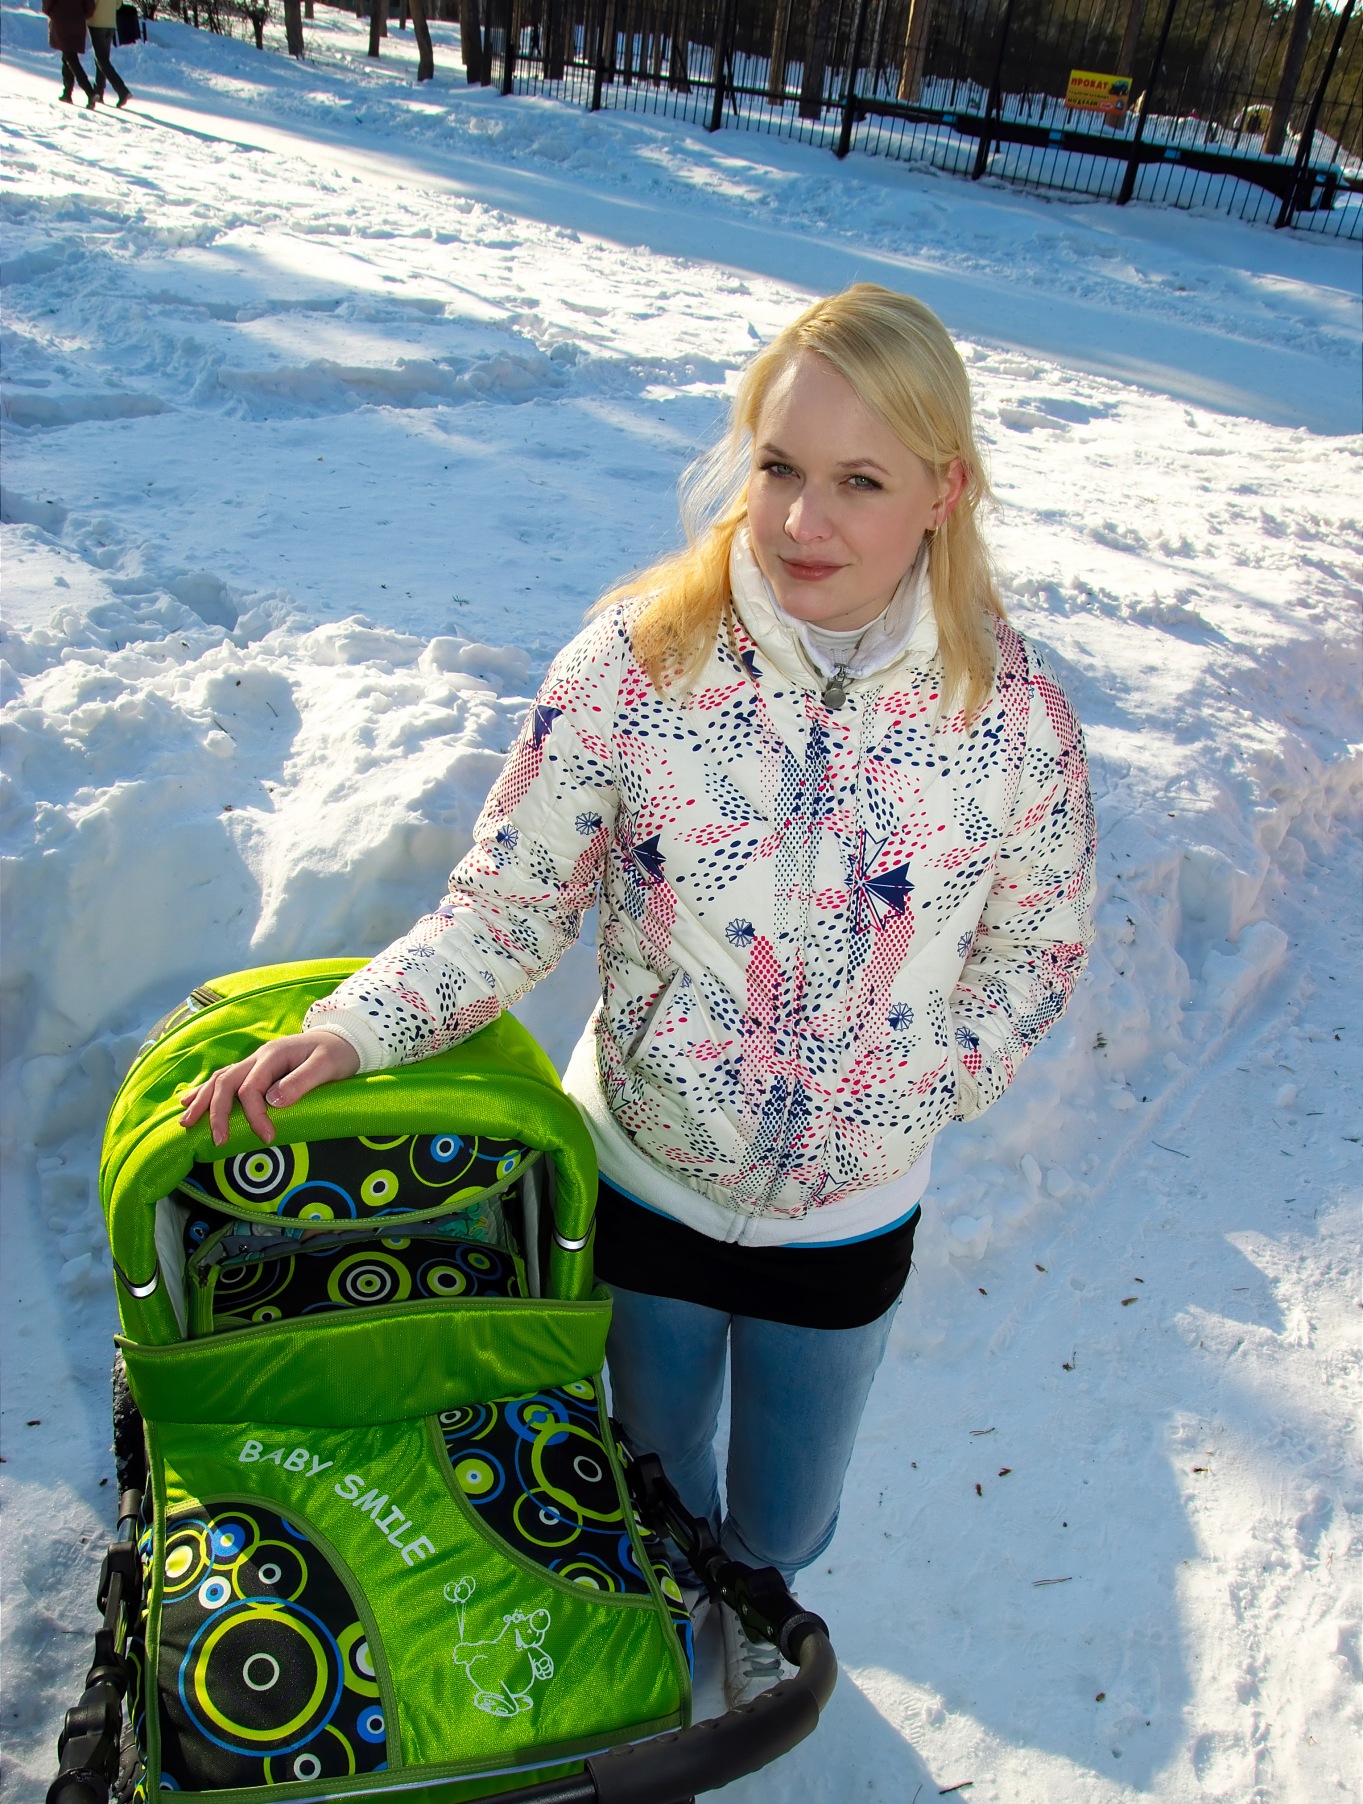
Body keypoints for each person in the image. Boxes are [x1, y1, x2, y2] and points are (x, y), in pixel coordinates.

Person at [181, 285, 1096, 1707]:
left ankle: (756, 1587)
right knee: (650, 1469)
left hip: (848, 1219)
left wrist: (927, 1078)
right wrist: (351, 1028)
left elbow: (1036, 945)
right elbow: (506, 904)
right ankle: (669, 1599)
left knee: (786, 1512)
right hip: (645, 1187)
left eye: (859, 480)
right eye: (778, 465)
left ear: (943, 490)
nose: (802, 520)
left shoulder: (1012, 715)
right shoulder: (636, 666)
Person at [43, 0, 98, 106]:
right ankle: (67, 93)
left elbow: (47, 3)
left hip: (61, 20)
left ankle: (90, 92)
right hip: (77, 21)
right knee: (68, 56)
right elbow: (90, 6)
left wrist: (50, 12)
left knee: (71, 58)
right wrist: (81, 14)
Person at [88, 0, 131, 108]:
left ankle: (122, 90)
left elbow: (90, 4)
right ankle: (99, 91)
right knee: (103, 59)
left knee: (101, 60)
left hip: (96, 23)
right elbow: (119, 4)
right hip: (110, 24)